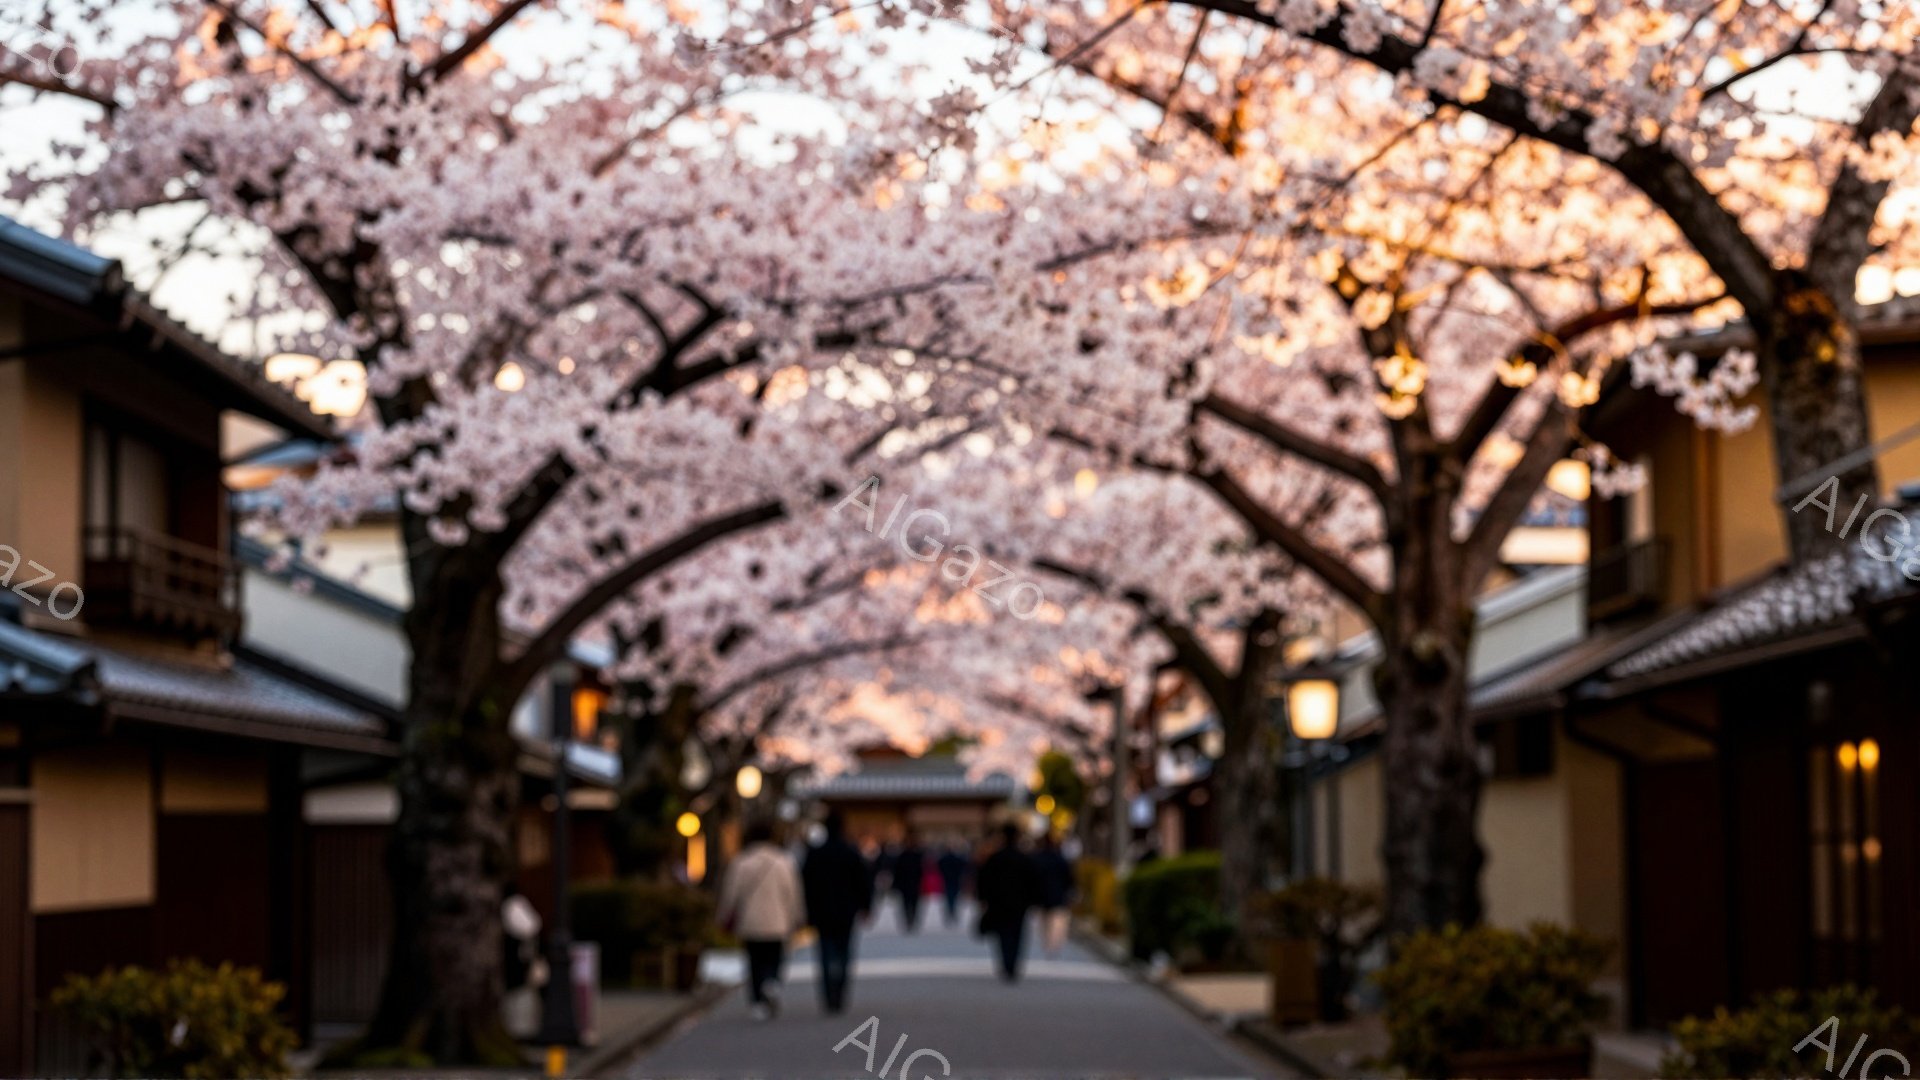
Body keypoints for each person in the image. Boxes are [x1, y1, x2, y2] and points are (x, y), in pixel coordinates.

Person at [717, 820, 804, 1021]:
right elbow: (792, 893)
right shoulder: (784, 861)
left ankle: (757, 1002)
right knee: (775, 956)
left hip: (751, 920)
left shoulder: (741, 862)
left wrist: (723, 917)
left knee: (754, 960)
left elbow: (731, 895)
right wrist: (797, 916)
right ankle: (772, 982)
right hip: (778, 919)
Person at [802, 812, 873, 1014]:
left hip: (821, 911)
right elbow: (863, 881)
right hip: (846, 911)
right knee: (843, 953)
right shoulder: (850, 852)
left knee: (825, 953)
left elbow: (806, 883)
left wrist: (806, 910)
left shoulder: (815, 853)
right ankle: (840, 993)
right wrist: (866, 906)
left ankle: (828, 995)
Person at [974, 823, 1042, 982]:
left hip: (998, 902)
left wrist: (983, 899)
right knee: (1017, 933)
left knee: (1002, 933)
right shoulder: (1024, 859)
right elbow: (1034, 881)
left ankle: (1006, 962)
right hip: (1020, 903)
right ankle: (1013, 963)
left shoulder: (995, 858)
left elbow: (984, 880)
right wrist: (1034, 900)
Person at [1033, 833, 1076, 957]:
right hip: (1058, 893)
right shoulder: (1060, 859)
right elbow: (1069, 877)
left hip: (1041, 894)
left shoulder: (1038, 858)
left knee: (1044, 918)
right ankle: (1054, 944)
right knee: (1056, 919)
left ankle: (1047, 941)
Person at [892, 829, 927, 933]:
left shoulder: (912, 855)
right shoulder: (908, 856)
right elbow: (897, 871)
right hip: (908, 883)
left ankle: (911, 920)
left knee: (911, 903)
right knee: (908, 903)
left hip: (912, 883)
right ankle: (910, 920)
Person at [936, 844, 969, 927]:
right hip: (955, 880)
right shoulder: (957, 859)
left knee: (949, 897)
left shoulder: (944, 859)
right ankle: (952, 912)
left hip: (947, 880)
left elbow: (939, 866)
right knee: (953, 897)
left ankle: (950, 912)